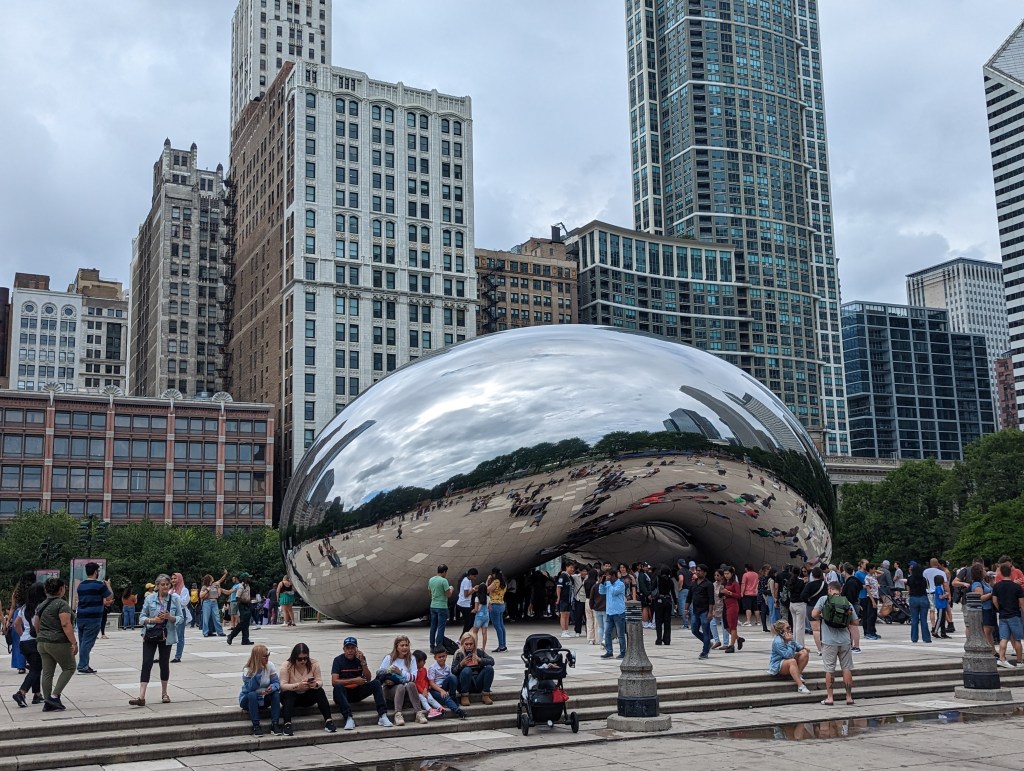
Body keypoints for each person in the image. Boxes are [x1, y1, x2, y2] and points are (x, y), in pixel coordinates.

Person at [130, 573, 184, 707]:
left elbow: (181, 618)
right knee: (147, 662)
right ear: (157, 586)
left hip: (166, 635)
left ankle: (164, 693)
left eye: (167, 584)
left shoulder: (174, 599)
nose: (165, 587)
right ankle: (141, 696)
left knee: (164, 663)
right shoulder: (150, 599)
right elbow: (141, 618)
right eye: (162, 584)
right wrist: (152, 620)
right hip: (150, 634)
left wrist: (169, 617)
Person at [811, 581, 859, 706]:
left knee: (829, 669)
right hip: (845, 641)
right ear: (840, 590)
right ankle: (849, 697)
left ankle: (830, 698)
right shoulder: (846, 602)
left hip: (829, 641)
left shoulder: (824, 599)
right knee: (847, 668)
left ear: (829, 589)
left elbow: (814, 614)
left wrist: (824, 616)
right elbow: (856, 622)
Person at [36, 577, 78, 711]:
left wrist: (41, 635)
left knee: (47, 672)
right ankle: (54, 697)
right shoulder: (62, 604)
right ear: (61, 589)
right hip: (58, 642)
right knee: (70, 667)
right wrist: (74, 642)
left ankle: (48, 702)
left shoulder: (41, 604)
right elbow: (66, 624)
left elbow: (36, 623)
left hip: (42, 642)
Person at [331, 636, 393, 729]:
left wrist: (363, 662)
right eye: (348, 648)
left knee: (376, 683)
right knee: (338, 686)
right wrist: (354, 680)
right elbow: (334, 681)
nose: (350, 651)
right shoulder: (338, 660)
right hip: (343, 693)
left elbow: (368, 678)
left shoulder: (360, 659)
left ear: (356, 649)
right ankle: (348, 718)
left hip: (357, 691)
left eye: (352, 648)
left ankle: (382, 715)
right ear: (344, 649)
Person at [279, 643, 336, 735]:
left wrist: (315, 684)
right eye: (300, 659)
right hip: (292, 696)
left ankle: (328, 720)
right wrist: (297, 686)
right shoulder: (286, 666)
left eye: (305, 658)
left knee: (320, 691)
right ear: (294, 658)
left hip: (307, 695)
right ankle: (287, 723)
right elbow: (282, 686)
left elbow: (320, 681)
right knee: (289, 694)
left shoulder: (314, 663)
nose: (303, 661)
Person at [11, 581, 45, 707]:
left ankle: (37, 694)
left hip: (24, 642)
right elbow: (39, 626)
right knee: (36, 669)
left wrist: (22, 636)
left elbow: (16, 624)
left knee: (35, 667)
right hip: (35, 641)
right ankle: (21, 692)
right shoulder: (41, 607)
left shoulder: (24, 607)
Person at [378, 634, 424, 725]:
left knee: (411, 684)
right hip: (390, 689)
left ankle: (419, 713)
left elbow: (413, 677)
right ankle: (397, 714)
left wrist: (400, 672)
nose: (404, 648)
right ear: (396, 647)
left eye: (406, 645)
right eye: (402, 645)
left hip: (406, 689)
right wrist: (386, 680)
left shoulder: (412, 659)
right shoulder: (389, 658)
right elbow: (380, 674)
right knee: (400, 687)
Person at [75, 561, 112, 674]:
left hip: (81, 616)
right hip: (93, 617)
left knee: (82, 641)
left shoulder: (81, 585)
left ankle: (84, 663)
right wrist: (108, 585)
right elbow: (109, 596)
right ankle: (83, 665)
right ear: (96, 572)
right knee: (88, 642)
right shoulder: (99, 585)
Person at [239, 644, 282, 736]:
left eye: (268, 655)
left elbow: (276, 682)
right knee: (252, 695)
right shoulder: (248, 669)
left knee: (275, 694)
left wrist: (272, 688)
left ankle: (275, 724)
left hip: (264, 697)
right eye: (265, 656)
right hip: (249, 699)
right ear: (258, 658)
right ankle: (256, 726)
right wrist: (258, 671)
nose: (267, 658)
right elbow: (250, 688)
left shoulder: (270, 665)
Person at [992, 562, 1024, 668]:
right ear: (1011, 573)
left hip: (1003, 615)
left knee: (1003, 638)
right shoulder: (1017, 587)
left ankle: (1002, 658)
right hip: (1014, 614)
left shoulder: (997, 586)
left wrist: (1000, 608)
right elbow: (1021, 603)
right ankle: (1019, 661)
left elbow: (995, 601)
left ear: (1001, 572)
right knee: (1017, 639)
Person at [767, 619, 810, 694]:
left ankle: (797, 674)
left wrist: (803, 648)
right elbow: (788, 656)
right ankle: (800, 686)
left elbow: (797, 646)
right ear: (781, 631)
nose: (790, 629)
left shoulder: (789, 637)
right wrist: (789, 642)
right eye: (787, 628)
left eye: (789, 627)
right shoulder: (778, 641)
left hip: (787, 662)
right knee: (792, 661)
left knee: (804, 653)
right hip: (778, 665)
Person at [452, 631, 495, 705]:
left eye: (471, 644)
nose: (469, 646)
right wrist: (461, 664)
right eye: (466, 644)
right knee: (467, 670)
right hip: (464, 684)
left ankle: (486, 695)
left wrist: (480, 660)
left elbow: (492, 661)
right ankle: (464, 696)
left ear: (474, 644)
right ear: (462, 644)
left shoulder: (479, 652)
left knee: (489, 668)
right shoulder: (459, 654)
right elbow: (453, 671)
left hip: (477, 682)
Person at [427, 647, 467, 718]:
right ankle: (458, 711)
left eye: (443, 656)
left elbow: (450, 680)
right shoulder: (432, 668)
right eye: (439, 657)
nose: (442, 658)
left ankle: (452, 696)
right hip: (434, 689)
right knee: (445, 697)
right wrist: (441, 691)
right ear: (435, 658)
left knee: (453, 677)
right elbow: (431, 683)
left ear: (446, 656)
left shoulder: (447, 667)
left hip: (444, 686)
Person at [688, 564, 715, 659]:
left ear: (705, 572)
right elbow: (689, 597)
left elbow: (711, 599)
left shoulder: (708, 584)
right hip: (695, 611)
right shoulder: (693, 584)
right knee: (694, 630)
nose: (697, 572)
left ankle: (705, 652)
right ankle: (707, 642)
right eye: (697, 570)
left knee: (706, 631)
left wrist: (710, 612)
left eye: (699, 570)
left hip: (705, 611)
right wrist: (686, 609)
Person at [599, 569, 627, 659]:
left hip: (619, 612)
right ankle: (609, 651)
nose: (608, 578)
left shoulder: (620, 584)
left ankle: (623, 652)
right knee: (607, 633)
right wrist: (601, 583)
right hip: (609, 612)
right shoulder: (608, 584)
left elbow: (614, 592)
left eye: (609, 576)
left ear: (614, 575)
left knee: (620, 634)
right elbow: (601, 592)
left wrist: (608, 583)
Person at [968, 562, 996, 652]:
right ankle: (989, 650)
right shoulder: (977, 584)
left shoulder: (983, 582)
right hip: (984, 608)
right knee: (987, 631)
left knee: (990, 630)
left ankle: (993, 650)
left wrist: (992, 582)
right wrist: (991, 594)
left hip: (989, 608)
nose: (985, 570)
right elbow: (980, 597)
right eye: (983, 569)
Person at [800, 566, 827, 654]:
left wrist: (808, 601)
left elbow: (803, 596)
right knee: (825, 628)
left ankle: (820, 650)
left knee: (816, 630)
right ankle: (826, 647)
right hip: (824, 607)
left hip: (812, 607)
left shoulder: (809, 585)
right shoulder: (825, 584)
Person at [427, 564, 454, 652]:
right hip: (442, 606)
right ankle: (439, 646)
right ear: (445, 571)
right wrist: (451, 589)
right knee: (441, 627)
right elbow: (448, 594)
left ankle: (432, 645)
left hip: (433, 605)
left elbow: (430, 593)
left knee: (433, 626)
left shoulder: (431, 579)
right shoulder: (444, 581)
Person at [412, 649, 445, 718]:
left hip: (425, 690)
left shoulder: (424, 670)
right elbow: (415, 683)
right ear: (417, 662)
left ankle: (440, 707)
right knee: (423, 699)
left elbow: (427, 680)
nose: (424, 662)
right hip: (418, 691)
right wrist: (422, 691)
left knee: (431, 698)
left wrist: (425, 689)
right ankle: (430, 710)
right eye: (423, 661)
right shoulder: (414, 672)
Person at [719, 566, 744, 653]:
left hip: (733, 605)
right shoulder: (725, 583)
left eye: (727, 574)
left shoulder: (735, 583)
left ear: (731, 574)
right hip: (725, 604)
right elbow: (720, 594)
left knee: (732, 626)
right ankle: (738, 638)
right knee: (726, 626)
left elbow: (738, 595)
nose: (726, 575)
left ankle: (732, 645)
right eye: (725, 574)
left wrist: (729, 592)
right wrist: (721, 592)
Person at [906, 562, 932, 644]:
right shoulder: (924, 579)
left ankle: (914, 638)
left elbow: (908, 590)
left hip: (913, 598)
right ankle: (926, 638)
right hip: (923, 598)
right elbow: (927, 588)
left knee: (914, 619)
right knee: (924, 620)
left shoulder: (910, 579)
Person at [227, 573, 255, 646]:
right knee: (242, 622)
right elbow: (237, 598)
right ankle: (231, 635)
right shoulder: (241, 586)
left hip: (247, 605)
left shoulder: (248, 586)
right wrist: (246, 601)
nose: (249, 579)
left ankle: (245, 639)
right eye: (248, 578)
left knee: (246, 623)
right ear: (245, 579)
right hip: (242, 605)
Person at [200, 569, 228, 637]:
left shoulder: (215, 584)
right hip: (207, 602)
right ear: (209, 579)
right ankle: (205, 632)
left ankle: (220, 632)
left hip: (214, 602)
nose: (213, 579)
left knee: (217, 617)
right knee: (206, 618)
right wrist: (207, 590)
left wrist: (225, 574)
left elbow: (221, 580)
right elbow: (201, 595)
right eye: (211, 578)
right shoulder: (204, 587)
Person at [170, 573, 190, 662]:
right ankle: (163, 655)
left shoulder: (184, 590)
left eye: (175, 578)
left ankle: (178, 656)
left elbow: (184, 602)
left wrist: (175, 596)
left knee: (179, 635)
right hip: (171, 614)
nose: (173, 580)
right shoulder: (171, 591)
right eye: (172, 578)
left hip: (180, 613)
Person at [487, 567, 509, 652]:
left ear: (494, 574)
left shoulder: (496, 581)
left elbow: (487, 590)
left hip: (494, 605)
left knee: (497, 626)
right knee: (501, 625)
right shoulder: (504, 582)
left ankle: (501, 646)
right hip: (501, 604)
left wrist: (488, 580)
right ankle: (503, 645)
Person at [653, 566, 675, 645]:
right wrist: (675, 603)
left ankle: (659, 639)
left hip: (659, 600)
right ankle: (667, 639)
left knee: (658, 621)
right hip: (668, 600)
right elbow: (673, 592)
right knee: (667, 621)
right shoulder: (670, 581)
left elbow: (652, 588)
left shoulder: (658, 579)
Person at [555, 563, 575, 638]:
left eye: (573, 568)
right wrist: (558, 597)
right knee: (563, 615)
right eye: (571, 567)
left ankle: (566, 630)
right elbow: (559, 587)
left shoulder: (571, 578)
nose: (572, 569)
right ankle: (563, 631)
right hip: (563, 598)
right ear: (567, 567)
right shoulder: (563, 576)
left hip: (569, 599)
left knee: (567, 615)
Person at [457, 568, 480, 633]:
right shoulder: (466, 581)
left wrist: (474, 589)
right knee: (468, 623)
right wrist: (474, 589)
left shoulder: (468, 580)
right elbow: (466, 594)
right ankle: (461, 638)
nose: (475, 578)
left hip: (465, 603)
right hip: (464, 604)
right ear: (470, 575)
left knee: (470, 622)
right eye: (474, 576)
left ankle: (463, 637)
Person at [931, 574, 950, 639]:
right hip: (940, 605)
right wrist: (946, 594)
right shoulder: (939, 588)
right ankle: (935, 631)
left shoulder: (939, 587)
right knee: (940, 618)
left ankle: (943, 632)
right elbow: (940, 597)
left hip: (942, 605)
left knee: (943, 619)